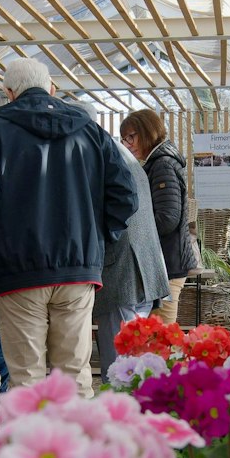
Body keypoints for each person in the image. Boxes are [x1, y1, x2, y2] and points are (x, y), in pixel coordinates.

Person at [0, 58, 135, 396]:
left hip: (18, 273)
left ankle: (31, 449)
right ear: (53, 90)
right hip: (78, 271)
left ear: (8, 94)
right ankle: (77, 448)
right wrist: (97, 239)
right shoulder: (91, 131)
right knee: (75, 380)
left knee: (26, 382)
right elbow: (125, 195)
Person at [93, 145, 172, 375]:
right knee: (133, 363)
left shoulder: (99, 151)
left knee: (119, 368)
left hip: (121, 270)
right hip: (143, 268)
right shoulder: (120, 151)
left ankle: (121, 408)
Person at [120, 109, 197, 324]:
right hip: (167, 263)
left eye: (131, 137)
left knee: (162, 338)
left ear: (148, 132)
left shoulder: (162, 164)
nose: (127, 144)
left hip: (169, 265)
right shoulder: (160, 162)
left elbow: (168, 218)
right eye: (124, 139)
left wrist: (134, 231)